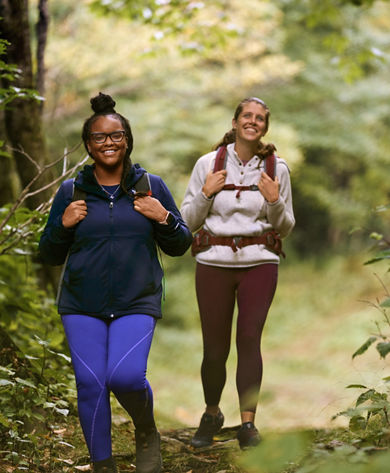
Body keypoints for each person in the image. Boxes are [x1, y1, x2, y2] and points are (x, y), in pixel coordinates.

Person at [39, 92, 192, 473]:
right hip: (80, 303)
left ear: (128, 139)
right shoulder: (70, 192)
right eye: (99, 137)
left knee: (124, 376)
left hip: (136, 301)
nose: (109, 143)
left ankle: (145, 430)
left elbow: (181, 245)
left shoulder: (151, 187)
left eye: (116, 135)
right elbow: (48, 254)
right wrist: (63, 225)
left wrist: (163, 218)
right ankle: (103, 465)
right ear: (88, 144)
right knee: (91, 385)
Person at [180, 97, 295, 450]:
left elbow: (287, 226)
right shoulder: (207, 164)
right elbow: (187, 220)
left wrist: (274, 201)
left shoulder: (277, 168)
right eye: (247, 115)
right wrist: (205, 193)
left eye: (260, 118)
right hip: (213, 262)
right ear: (235, 122)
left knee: (248, 339)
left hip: (260, 262)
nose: (253, 122)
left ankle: (248, 424)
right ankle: (212, 413)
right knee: (214, 348)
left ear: (265, 127)